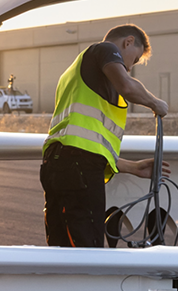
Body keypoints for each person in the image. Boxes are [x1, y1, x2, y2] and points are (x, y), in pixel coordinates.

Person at [41, 24, 167, 248]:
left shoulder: (76, 73)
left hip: (58, 164)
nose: (129, 68)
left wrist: (133, 168)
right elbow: (127, 87)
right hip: (76, 169)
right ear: (128, 42)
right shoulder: (106, 50)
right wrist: (155, 103)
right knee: (87, 250)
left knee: (61, 248)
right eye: (134, 59)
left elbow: (84, 143)